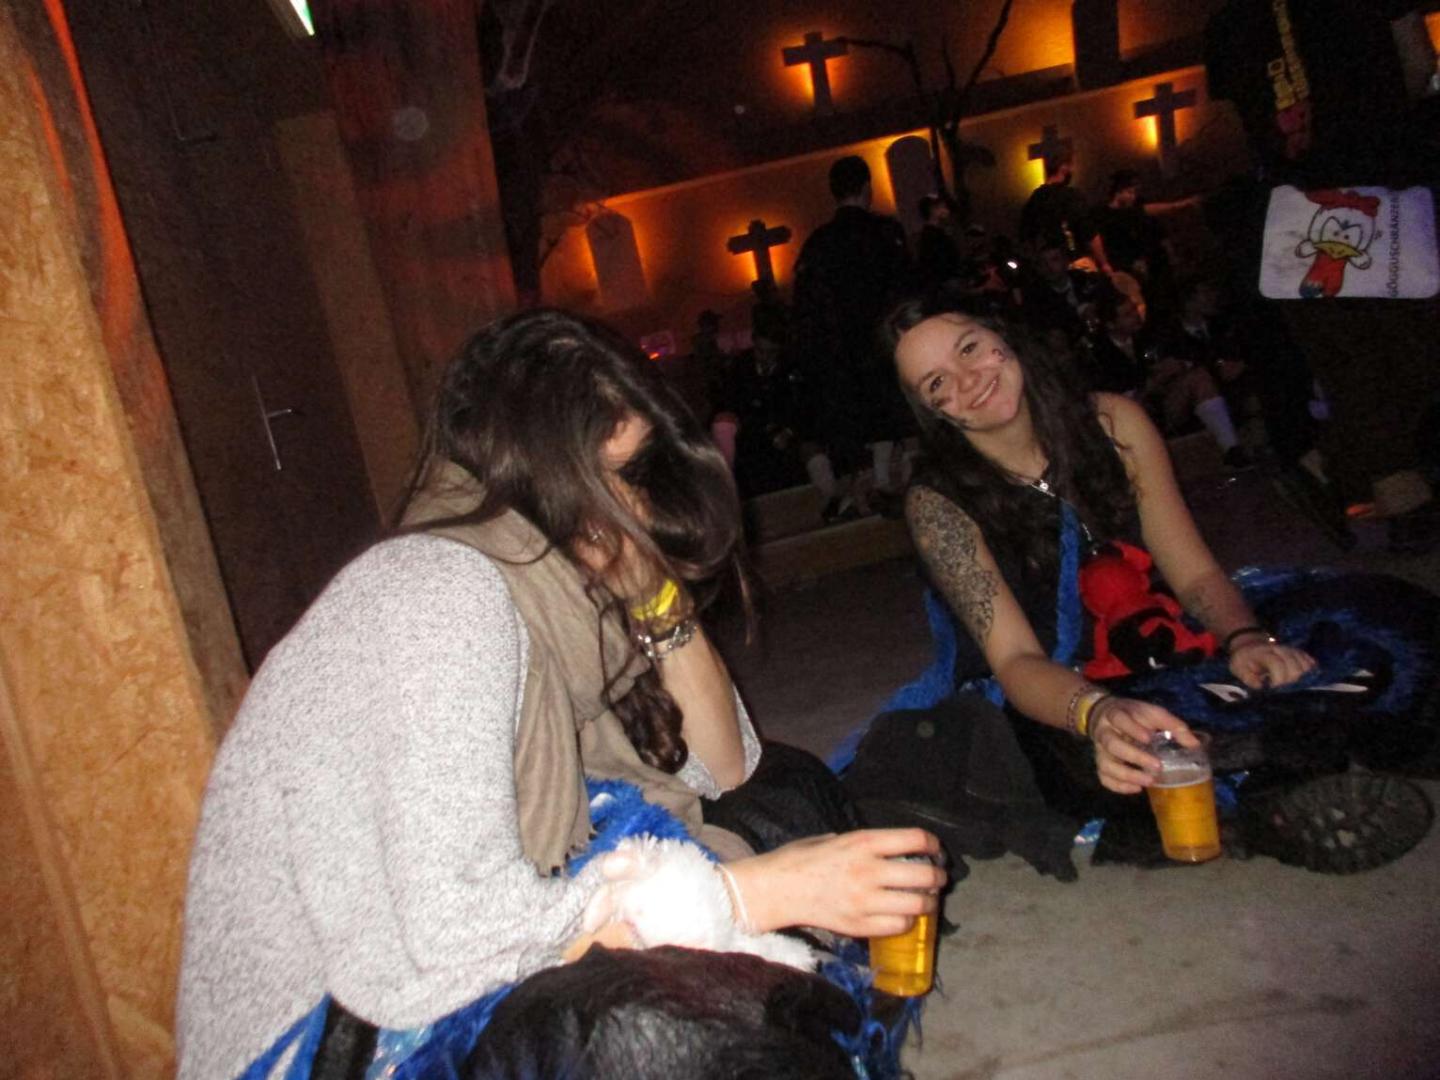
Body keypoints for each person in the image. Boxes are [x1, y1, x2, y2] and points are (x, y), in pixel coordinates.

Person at [176, 309, 943, 1079]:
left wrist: (654, 598)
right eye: (618, 477)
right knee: (648, 1031)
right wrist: (749, 898)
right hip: (346, 1043)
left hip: (461, 967)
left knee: (790, 792)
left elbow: (728, 769)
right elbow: (450, 947)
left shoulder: (566, 592)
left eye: (642, 470)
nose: (640, 505)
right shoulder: (434, 591)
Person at [882, 299, 1316, 798]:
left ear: (1003, 336)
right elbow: (1016, 658)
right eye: (937, 382)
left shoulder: (1114, 422)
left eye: (969, 348)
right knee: (1122, 770)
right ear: (932, 411)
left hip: (1151, 633)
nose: (967, 380)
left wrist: (1244, 638)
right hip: (1048, 687)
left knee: (1320, 673)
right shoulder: (937, 502)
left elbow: (1193, 574)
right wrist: (1098, 712)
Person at [792, 155, 914, 521]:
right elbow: (906, 292)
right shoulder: (885, 233)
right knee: (890, 421)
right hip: (884, 348)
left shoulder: (818, 245)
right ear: (866, 188)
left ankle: (868, 491)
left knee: (861, 426)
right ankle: (885, 488)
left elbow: (806, 310)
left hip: (840, 357)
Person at [1017, 154, 1112, 273]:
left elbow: (1025, 238)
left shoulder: (1034, 199)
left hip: (1047, 267)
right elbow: (1089, 232)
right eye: (1070, 167)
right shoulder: (1071, 197)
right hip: (1073, 264)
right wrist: (1104, 263)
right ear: (1063, 168)